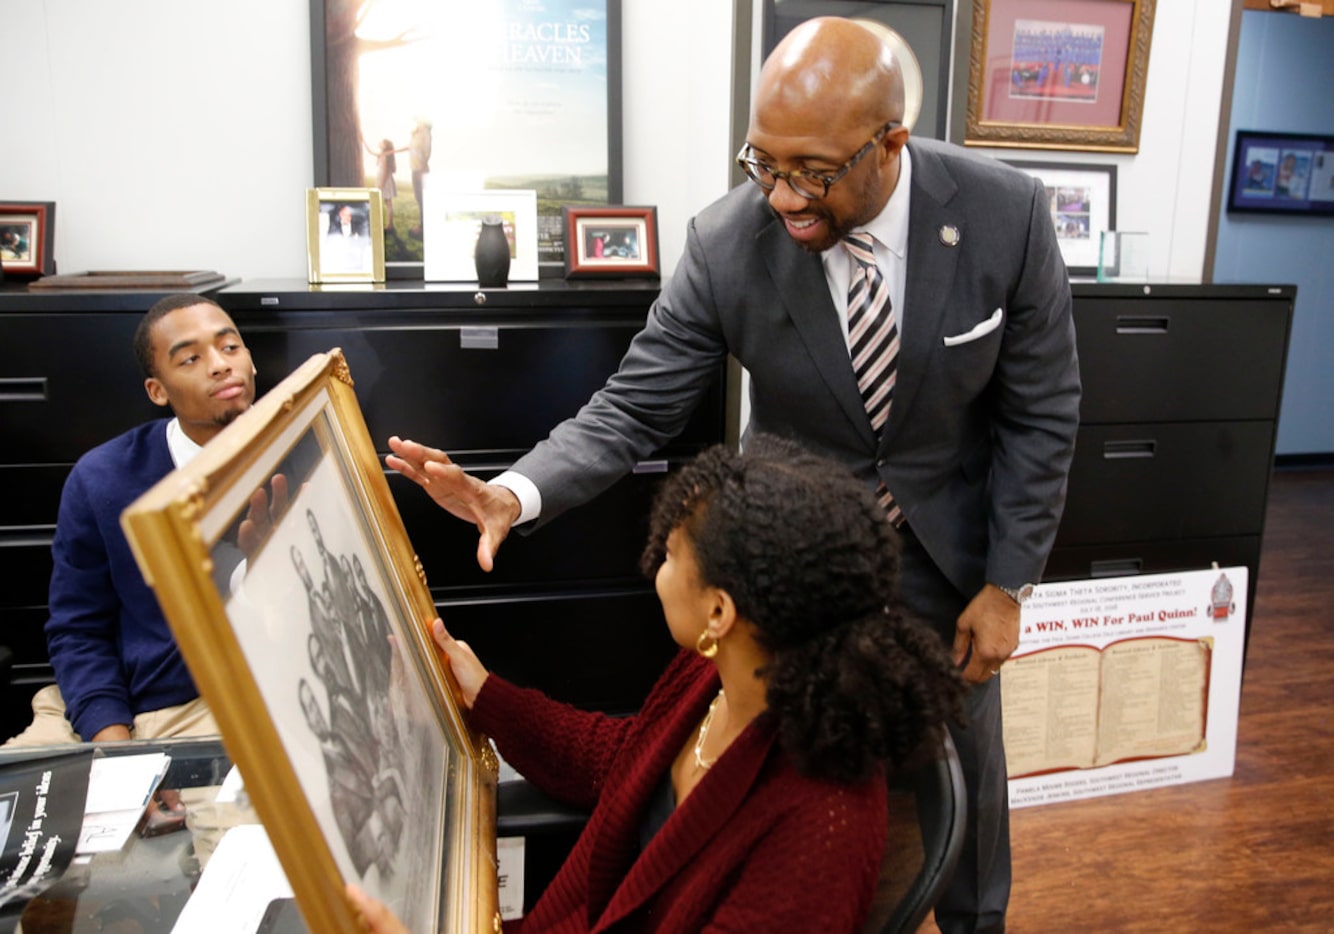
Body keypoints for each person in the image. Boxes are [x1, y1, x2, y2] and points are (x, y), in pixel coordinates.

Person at [387, 17, 1080, 932]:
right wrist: (514, 491)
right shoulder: (726, 240)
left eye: (814, 171)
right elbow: (635, 403)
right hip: (781, 572)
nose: (784, 196)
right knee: (751, 797)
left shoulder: (1006, 214)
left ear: (890, 143)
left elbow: (1040, 413)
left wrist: (1006, 586)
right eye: (763, 162)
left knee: (962, 802)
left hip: (946, 568)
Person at [352, 437, 966, 933]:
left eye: (671, 554)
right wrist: (484, 694)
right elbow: (623, 761)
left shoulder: (819, 833)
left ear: (720, 613)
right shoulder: (717, 673)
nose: (654, 570)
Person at [5, 294, 258, 745]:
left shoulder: (303, 444)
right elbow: (78, 630)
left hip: (247, 698)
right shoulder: (102, 479)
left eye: (230, 347)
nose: (220, 365)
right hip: (132, 702)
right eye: (191, 358)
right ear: (157, 390)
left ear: (251, 361)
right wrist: (113, 745)